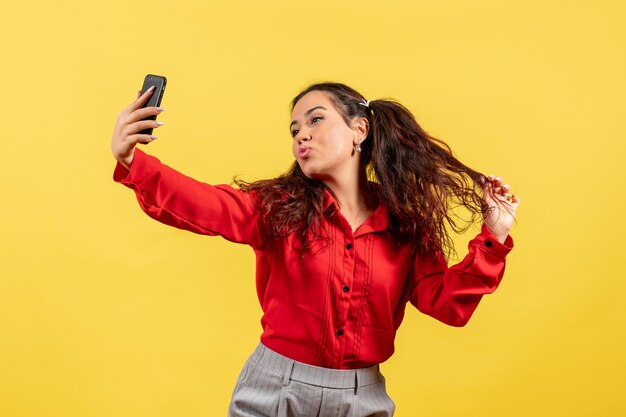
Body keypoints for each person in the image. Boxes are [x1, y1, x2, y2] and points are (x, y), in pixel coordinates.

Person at [111, 81, 519, 417]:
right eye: (294, 130)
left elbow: (447, 305)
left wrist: (494, 237)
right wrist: (133, 162)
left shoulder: (406, 226)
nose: (301, 134)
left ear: (359, 131)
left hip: (361, 398)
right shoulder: (278, 208)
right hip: (274, 392)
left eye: (315, 120)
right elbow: (206, 205)